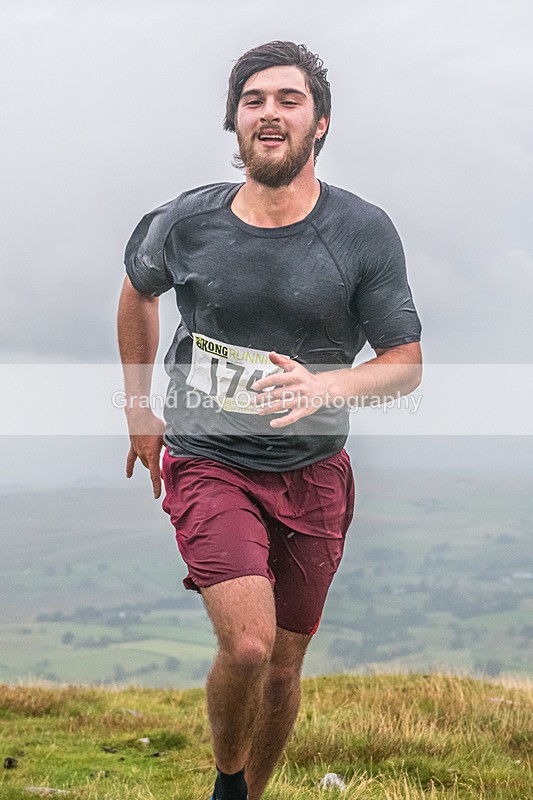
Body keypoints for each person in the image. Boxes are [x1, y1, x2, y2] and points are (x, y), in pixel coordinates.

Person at [117, 40, 422, 800]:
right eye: (254, 101)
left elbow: (405, 361)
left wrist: (324, 389)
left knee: (284, 665)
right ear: (237, 123)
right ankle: (226, 787)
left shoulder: (361, 230)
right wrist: (137, 406)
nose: (270, 112)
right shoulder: (184, 221)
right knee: (249, 646)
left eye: (288, 99)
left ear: (319, 123)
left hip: (313, 471)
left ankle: (250, 794)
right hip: (208, 457)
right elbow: (137, 292)